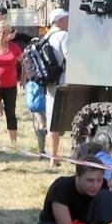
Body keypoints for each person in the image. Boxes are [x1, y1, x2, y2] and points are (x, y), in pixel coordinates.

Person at [34, 144, 106, 224]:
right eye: (90, 180)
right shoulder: (61, 187)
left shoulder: (104, 187)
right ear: (78, 177)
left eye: (99, 180)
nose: (95, 185)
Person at [42, 9, 70, 166]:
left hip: (50, 83)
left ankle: (53, 156)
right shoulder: (64, 36)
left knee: (51, 120)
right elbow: (69, 57)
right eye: (65, 19)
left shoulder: (45, 37)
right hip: (64, 81)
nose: (67, 21)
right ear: (59, 20)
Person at [0, 20, 24, 149]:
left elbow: (23, 62)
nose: (1, 35)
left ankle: (14, 142)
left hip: (10, 86)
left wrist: (23, 78)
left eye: (4, 33)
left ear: (9, 34)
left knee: (11, 113)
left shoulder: (14, 47)